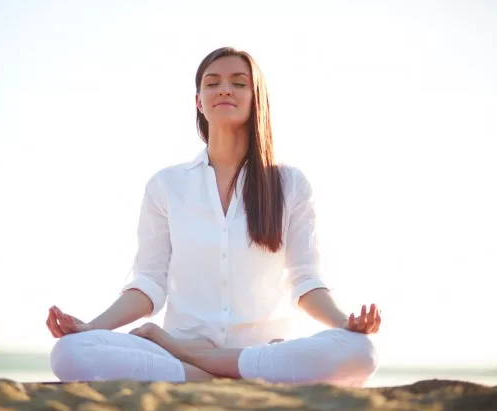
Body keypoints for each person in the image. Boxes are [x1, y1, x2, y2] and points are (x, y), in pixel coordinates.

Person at [46, 46, 381, 386]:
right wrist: (91, 327)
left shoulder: (290, 184)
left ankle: (199, 367)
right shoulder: (167, 185)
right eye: (212, 83)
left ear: (256, 98)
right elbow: (149, 282)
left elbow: (305, 281)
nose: (224, 89)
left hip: (261, 351)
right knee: (70, 352)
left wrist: (344, 324)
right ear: (198, 101)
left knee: (361, 351)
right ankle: (223, 371)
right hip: (189, 350)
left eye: (238, 83)